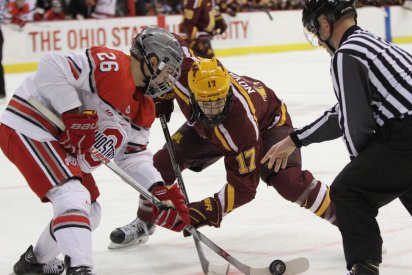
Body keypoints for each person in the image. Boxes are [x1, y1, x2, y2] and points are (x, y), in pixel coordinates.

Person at [261, 0, 412, 274]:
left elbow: (356, 124)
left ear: (324, 24)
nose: (318, 40)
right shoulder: (371, 43)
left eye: (315, 30)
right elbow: (344, 112)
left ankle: (363, 266)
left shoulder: (346, 54)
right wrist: (296, 140)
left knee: (348, 190)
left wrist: (362, 170)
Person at [0, 27, 191, 275]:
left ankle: (32, 263)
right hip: (32, 124)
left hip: (60, 146)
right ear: (152, 61)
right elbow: (50, 66)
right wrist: (72, 113)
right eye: (167, 70)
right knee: (72, 194)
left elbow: (132, 156)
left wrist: (158, 189)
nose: (168, 79)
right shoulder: (110, 65)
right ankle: (81, 269)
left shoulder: (144, 108)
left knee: (90, 211)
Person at [108, 54, 337, 247]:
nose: (214, 110)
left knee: (288, 181)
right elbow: (161, 45)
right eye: (206, 103)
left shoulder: (241, 129)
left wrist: (202, 212)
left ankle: (346, 218)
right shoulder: (180, 74)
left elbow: (243, 189)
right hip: (206, 128)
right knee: (159, 166)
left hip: (267, 125)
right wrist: (164, 96)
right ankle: (145, 221)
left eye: (218, 101)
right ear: (192, 93)